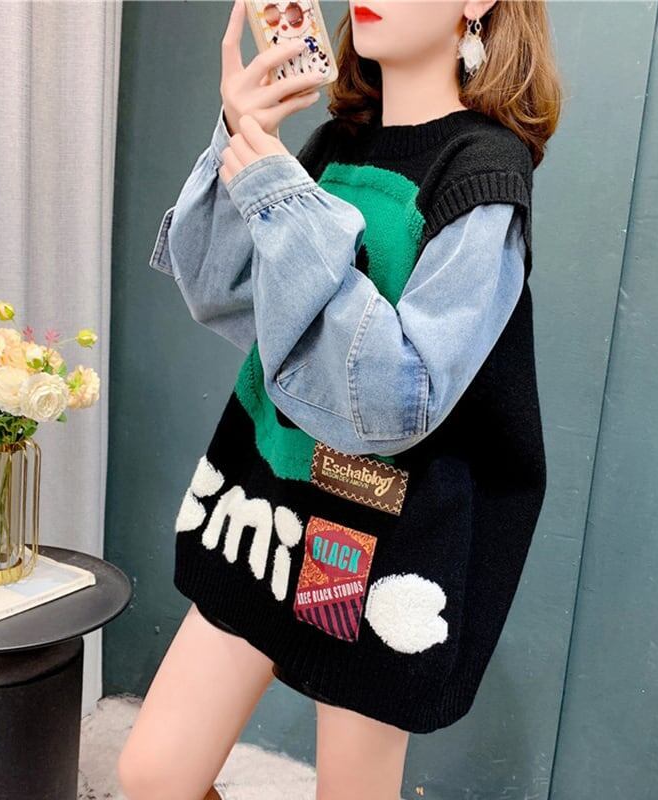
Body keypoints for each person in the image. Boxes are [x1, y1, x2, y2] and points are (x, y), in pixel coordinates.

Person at [119, 0, 562, 798]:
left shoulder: (484, 174)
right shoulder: (334, 144)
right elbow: (225, 293)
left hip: (387, 532)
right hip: (270, 507)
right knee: (154, 775)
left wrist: (281, 197)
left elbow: (399, 397)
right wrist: (242, 141)